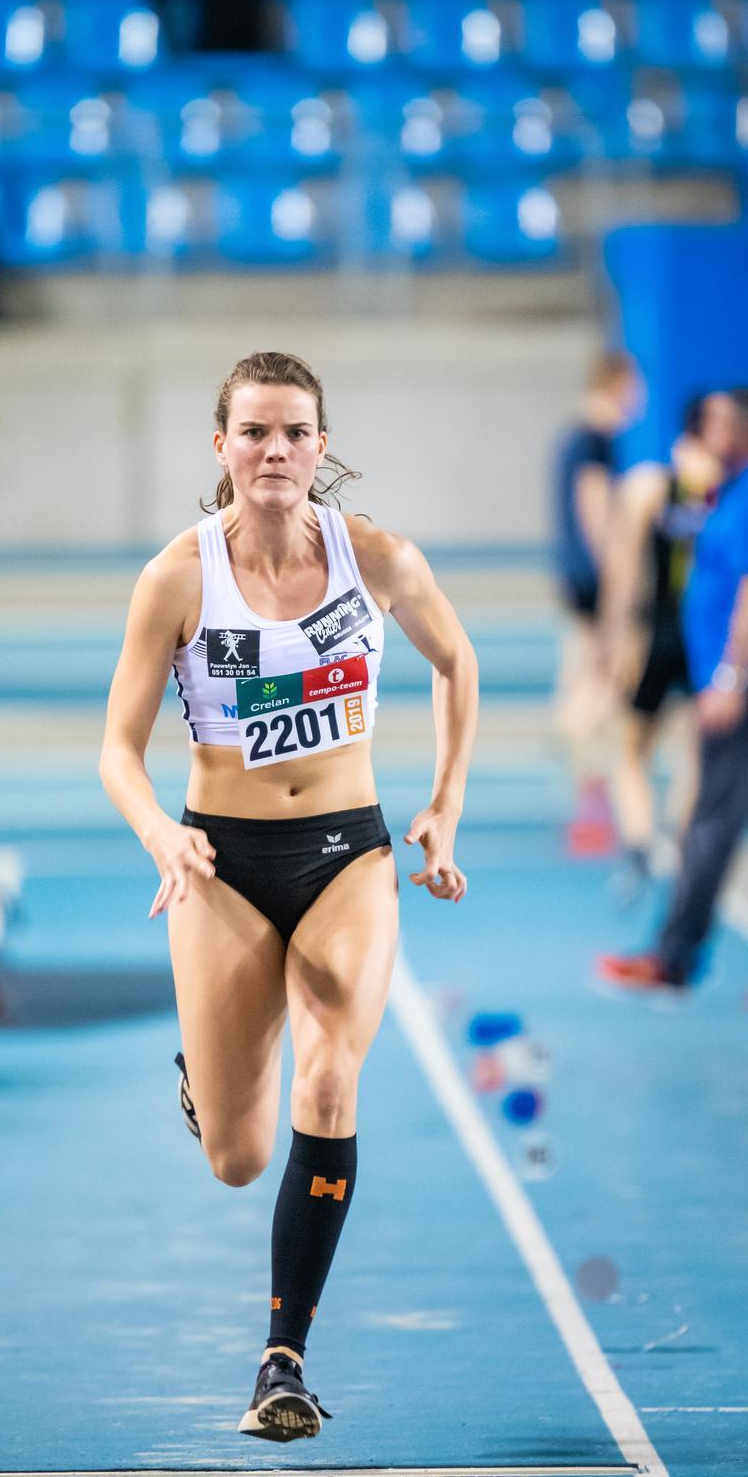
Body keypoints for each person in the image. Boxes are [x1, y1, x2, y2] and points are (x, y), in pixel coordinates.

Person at [100, 351, 478, 1441]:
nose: (275, 451)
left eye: (295, 433)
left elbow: (457, 663)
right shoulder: (178, 578)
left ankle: (283, 1361)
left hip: (346, 854)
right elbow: (118, 751)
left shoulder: (378, 559)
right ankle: (208, 1076)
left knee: (327, 1080)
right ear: (221, 447)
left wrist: (444, 804)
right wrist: (162, 836)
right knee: (238, 1158)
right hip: (219, 863)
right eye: (255, 432)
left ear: (322, 448)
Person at [599, 387, 748, 989]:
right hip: (710, 668)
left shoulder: (734, 497)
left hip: (725, 676)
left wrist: (730, 676)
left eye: (725, 425)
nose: (714, 435)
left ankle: (673, 952)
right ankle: (674, 949)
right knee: (709, 808)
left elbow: (746, 593)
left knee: (709, 818)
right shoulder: (722, 492)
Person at [550, 349, 643, 852]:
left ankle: (588, 784)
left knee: (589, 680)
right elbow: (595, 512)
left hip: (578, 578)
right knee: (600, 684)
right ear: (618, 382)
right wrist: (617, 586)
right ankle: (576, 740)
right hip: (593, 583)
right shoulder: (594, 439)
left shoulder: (578, 436)